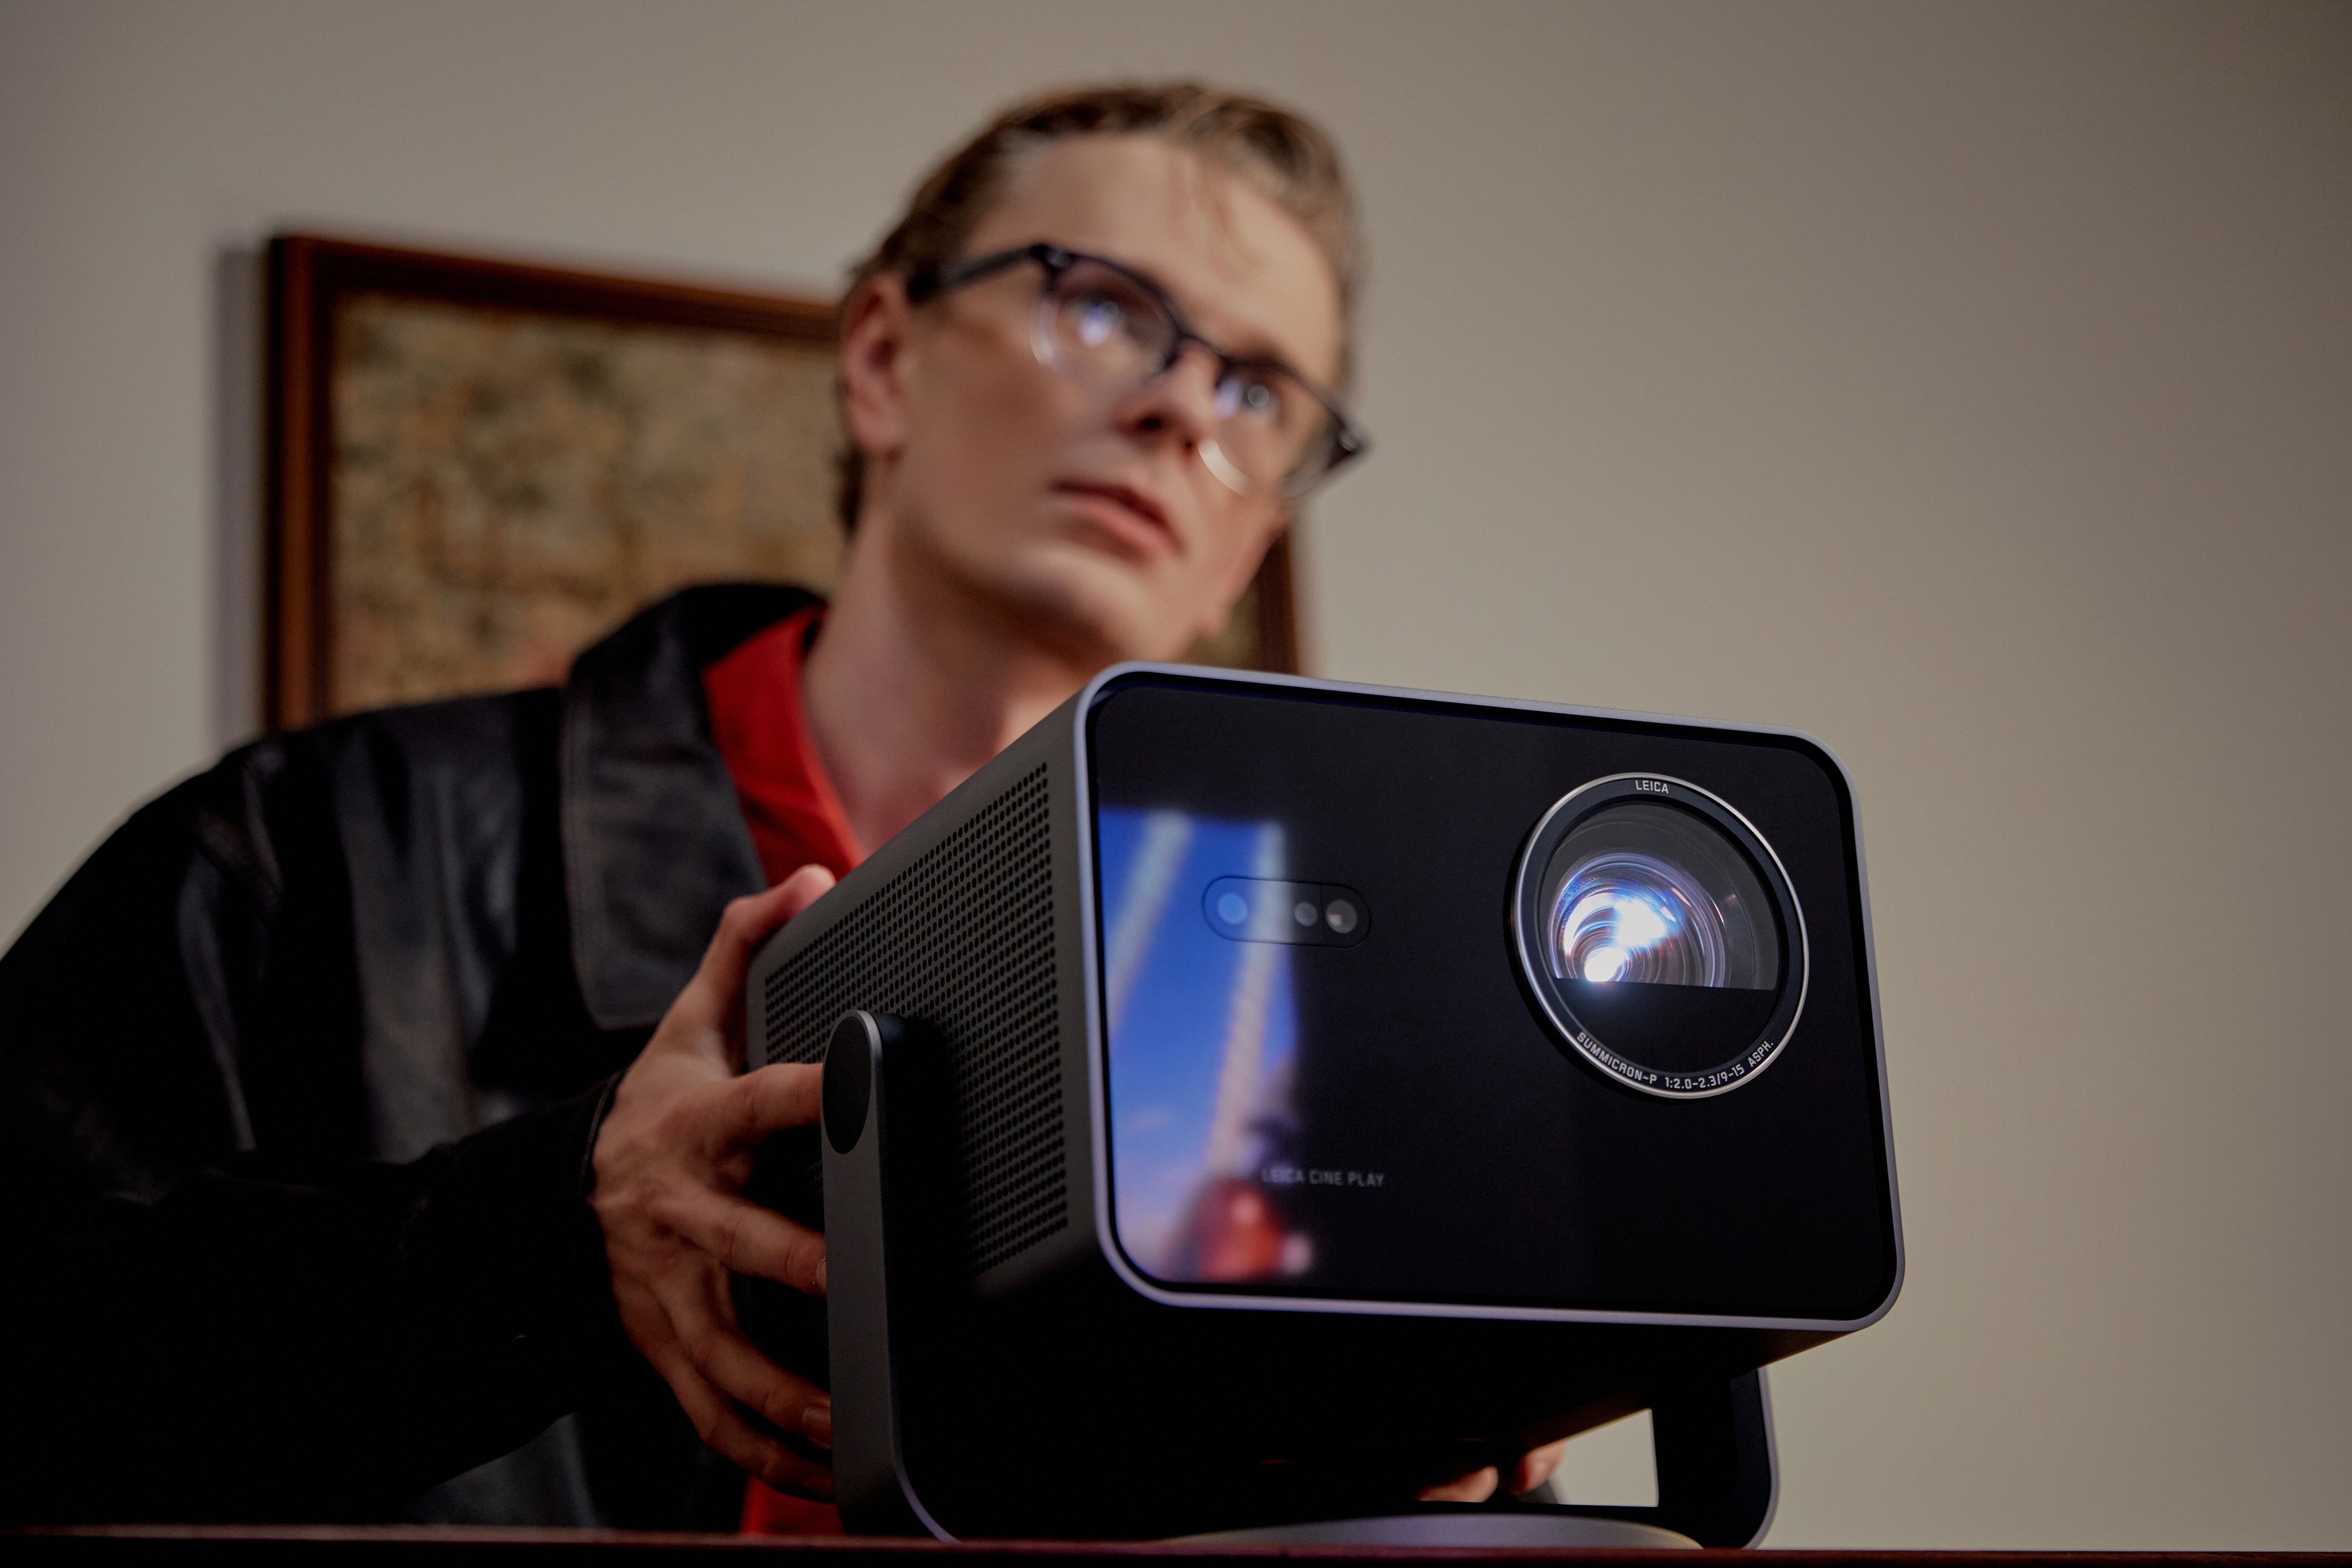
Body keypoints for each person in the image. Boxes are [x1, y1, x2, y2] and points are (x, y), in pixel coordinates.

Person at [0, 82, 1555, 1531]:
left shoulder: (1298, 1010)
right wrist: (552, 1228)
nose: (1181, 412)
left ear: (1254, 538)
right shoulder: (312, 853)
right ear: (881, 360)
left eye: (1258, 390)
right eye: (1103, 309)